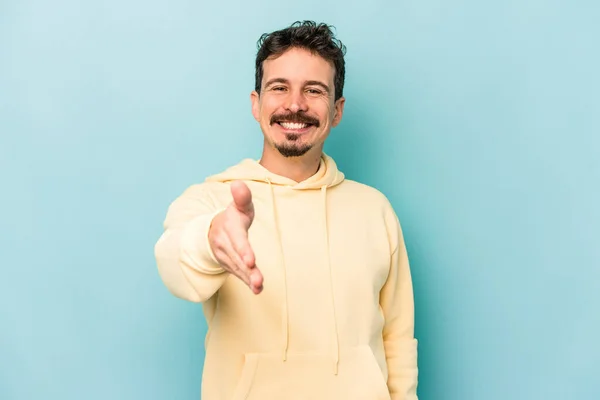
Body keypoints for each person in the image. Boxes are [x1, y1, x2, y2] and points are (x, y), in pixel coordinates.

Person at [154, 20, 419, 400]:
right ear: (255, 103)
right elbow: (173, 261)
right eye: (279, 88)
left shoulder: (375, 210)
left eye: (314, 90)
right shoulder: (214, 200)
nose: (295, 104)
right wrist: (210, 240)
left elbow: (398, 338)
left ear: (337, 109)